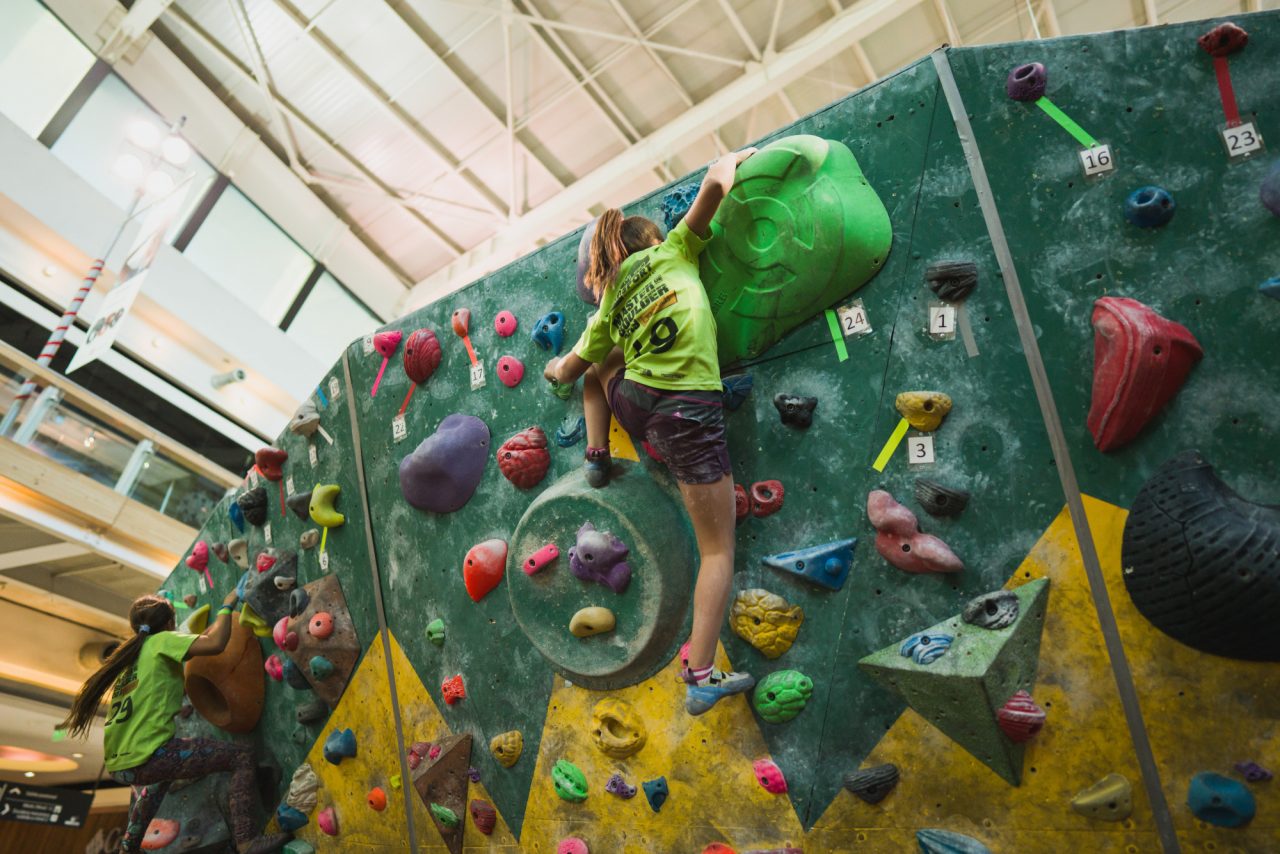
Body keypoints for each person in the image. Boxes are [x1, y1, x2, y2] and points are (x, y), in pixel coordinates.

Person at [544, 147, 757, 716]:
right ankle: (702, 673)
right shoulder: (675, 249)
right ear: (651, 240)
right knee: (718, 550)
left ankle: (596, 453)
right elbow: (717, 183)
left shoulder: (610, 300)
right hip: (687, 409)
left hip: (640, 405)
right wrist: (736, 156)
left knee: (598, 363)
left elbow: (568, 369)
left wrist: (552, 371)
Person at [61, 591, 289, 854]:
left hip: (122, 765)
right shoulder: (162, 641)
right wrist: (227, 606)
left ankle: (128, 848)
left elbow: (154, 695)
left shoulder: (130, 661)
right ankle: (246, 840)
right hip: (149, 755)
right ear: (170, 622)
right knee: (241, 757)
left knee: (161, 778)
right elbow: (215, 643)